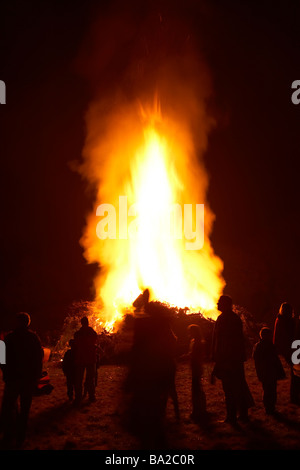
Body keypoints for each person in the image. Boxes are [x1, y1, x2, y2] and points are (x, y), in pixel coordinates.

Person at [0, 312, 44, 448]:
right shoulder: (33, 337)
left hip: (13, 378)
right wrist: (37, 374)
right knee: (25, 407)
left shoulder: (9, 337)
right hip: (27, 379)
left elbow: (1, 356)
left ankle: (9, 433)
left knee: (8, 406)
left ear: (18, 322)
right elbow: (39, 356)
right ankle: (21, 435)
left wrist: (5, 372)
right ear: (27, 323)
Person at [211, 295, 254, 424]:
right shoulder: (231, 318)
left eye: (219, 302)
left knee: (230, 389)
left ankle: (232, 416)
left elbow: (225, 341)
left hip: (229, 359)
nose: (217, 304)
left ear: (225, 304)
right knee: (238, 386)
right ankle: (242, 414)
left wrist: (220, 359)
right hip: (234, 359)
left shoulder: (226, 319)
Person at [253, 327, 285, 414]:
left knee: (267, 389)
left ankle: (268, 407)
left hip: (264, 372)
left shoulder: (258, 346)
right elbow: (275, 359)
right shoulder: (270, 346)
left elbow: (255, 359)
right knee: (271, 390)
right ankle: (271, 407)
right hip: (271, 372)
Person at [273, 302, 298, 404]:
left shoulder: (281, 320)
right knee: (296, 372)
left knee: (295, 372)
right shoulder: (285, 321)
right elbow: (289, 336)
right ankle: (294, 397)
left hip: (291, 348)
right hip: (290, 349)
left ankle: (295, 396)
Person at [73, 316, 98, 405]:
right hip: (90, 359)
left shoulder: (77, 334)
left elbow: (75, 345)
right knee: (90, 379)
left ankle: (78, 397)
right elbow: (95, 342)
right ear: (87, 323)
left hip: (80, 359)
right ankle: (91, 396)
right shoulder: (92, 333)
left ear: (81, 323)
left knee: (79, 379)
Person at [187, 324, 207, 423]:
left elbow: (197, 355)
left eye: (191, 331)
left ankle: (198, 410)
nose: (189, 333)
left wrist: (190, 357)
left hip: (197, 367)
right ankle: (201, 409)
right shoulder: (194, 341)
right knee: (197, 388)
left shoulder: (198, 343)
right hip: (195, 367)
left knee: (196, 389)